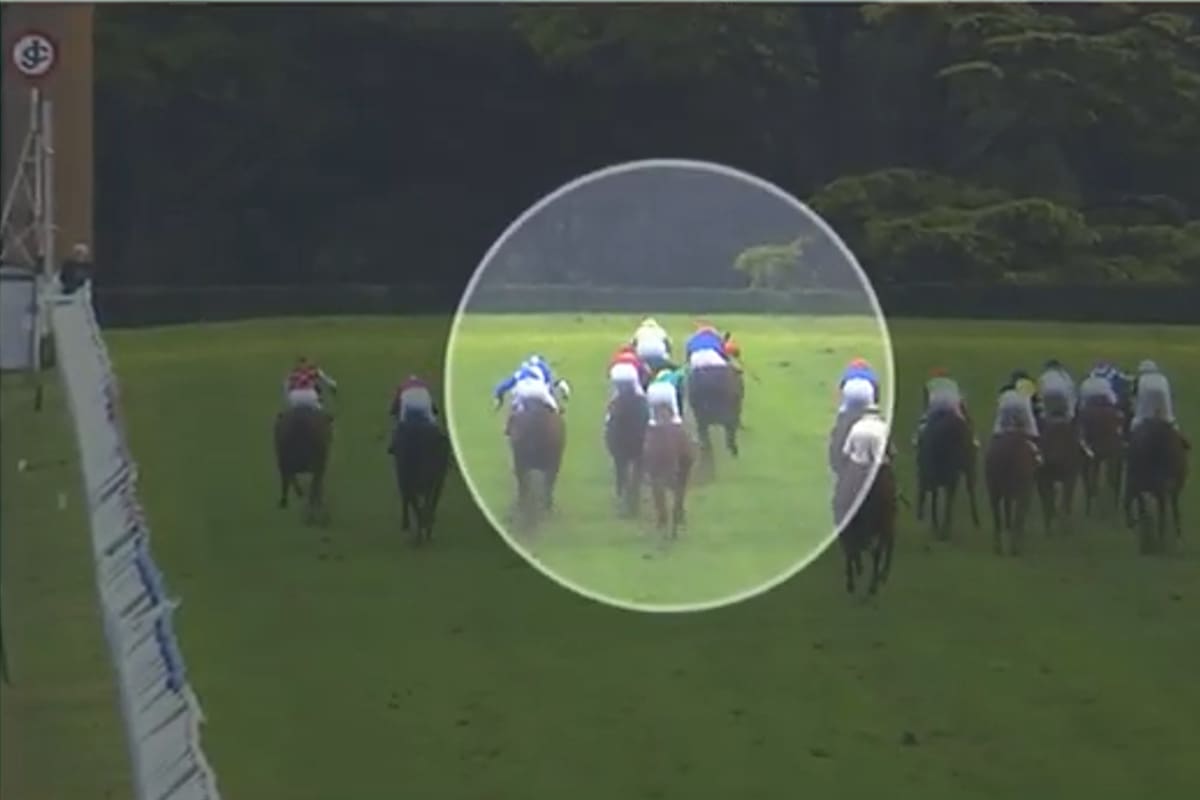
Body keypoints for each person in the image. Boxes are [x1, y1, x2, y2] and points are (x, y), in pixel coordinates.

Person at [913, 367, 974, 445]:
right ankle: (972, 439)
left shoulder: (930, 383)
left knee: (925, 421)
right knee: (964, 421)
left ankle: (917, 438)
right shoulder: (953, 384)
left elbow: (926, 404)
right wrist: (968, 419)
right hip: (953, 407)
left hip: (936, 405)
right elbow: (961, 402)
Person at [493, 355, 569, 414]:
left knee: (514, 409)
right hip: (539, 390)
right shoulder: (544, 368)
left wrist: (498, 397)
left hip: (521, 390)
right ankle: (557, 411)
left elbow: (504, 386)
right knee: (556, 409)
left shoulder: (520, 371)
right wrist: (557, 404)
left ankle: (508, 430)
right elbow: (550, 387)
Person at [1131, 359, 1180, 433]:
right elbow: (1172, 396)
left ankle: (1128, 443)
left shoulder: (1139, 380)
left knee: (1134, 425)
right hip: (1164, 412)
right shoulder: (1163, 379)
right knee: (1174, 427)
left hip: (1144, 413)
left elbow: (1134, 397)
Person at [605, 344, 648, 421]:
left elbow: (608, 373)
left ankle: (609, 417)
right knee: (641, 396)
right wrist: (641, 384)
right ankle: (645, 417)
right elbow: (646, 372)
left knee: (615, 396)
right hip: (631, 374)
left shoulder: (616, 358)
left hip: (616, 373)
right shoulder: (636, 358)